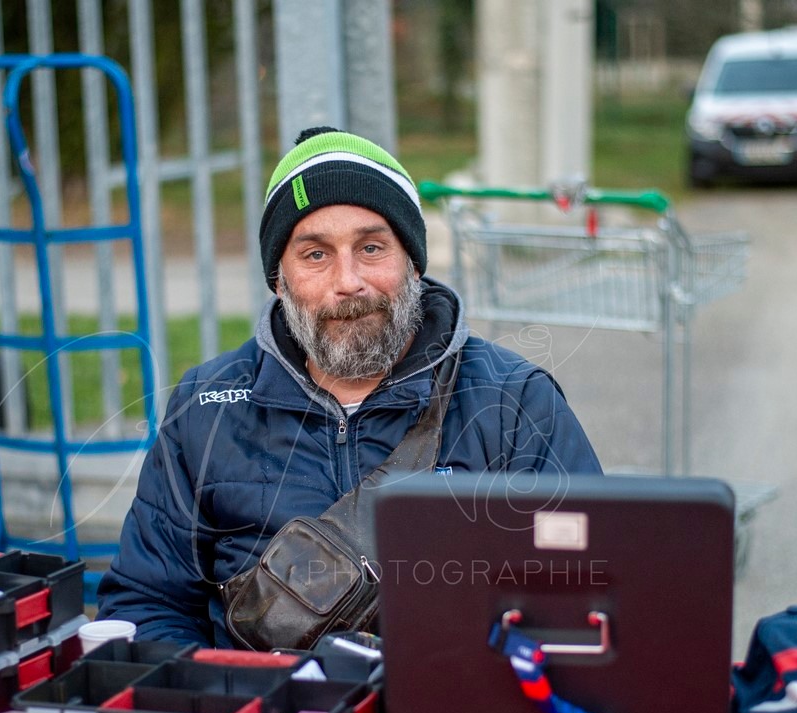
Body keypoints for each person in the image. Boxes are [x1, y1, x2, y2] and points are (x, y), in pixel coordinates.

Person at [95, 126, 601, 646]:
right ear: (279, 278)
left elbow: (582, 598)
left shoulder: (513, 403)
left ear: (413, 262)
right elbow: (148, 604)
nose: (348, 281)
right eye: (315, 254)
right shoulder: (206, 408)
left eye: (372, 247)